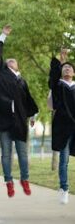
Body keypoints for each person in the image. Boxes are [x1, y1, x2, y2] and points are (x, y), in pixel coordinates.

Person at [0, 25, 38, 197]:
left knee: (23, 155)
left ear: (18, 67)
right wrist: (3, 34)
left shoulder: (22, 81)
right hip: (4, 120)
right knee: (6, 155)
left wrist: (32, 114)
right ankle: (8, 181)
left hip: (19, 121)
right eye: (7, 60)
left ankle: (24, 179)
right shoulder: (1, 73)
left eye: (13, 60)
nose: (10, 60)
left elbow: (28, 100)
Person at [48, 48, 75, 204]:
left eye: (70, 67)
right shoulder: (58, 85)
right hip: (63, 127)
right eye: (65, 67)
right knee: (64, 159)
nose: (67, 68)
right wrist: (61, 59)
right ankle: (64, 188)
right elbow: (53, 77)